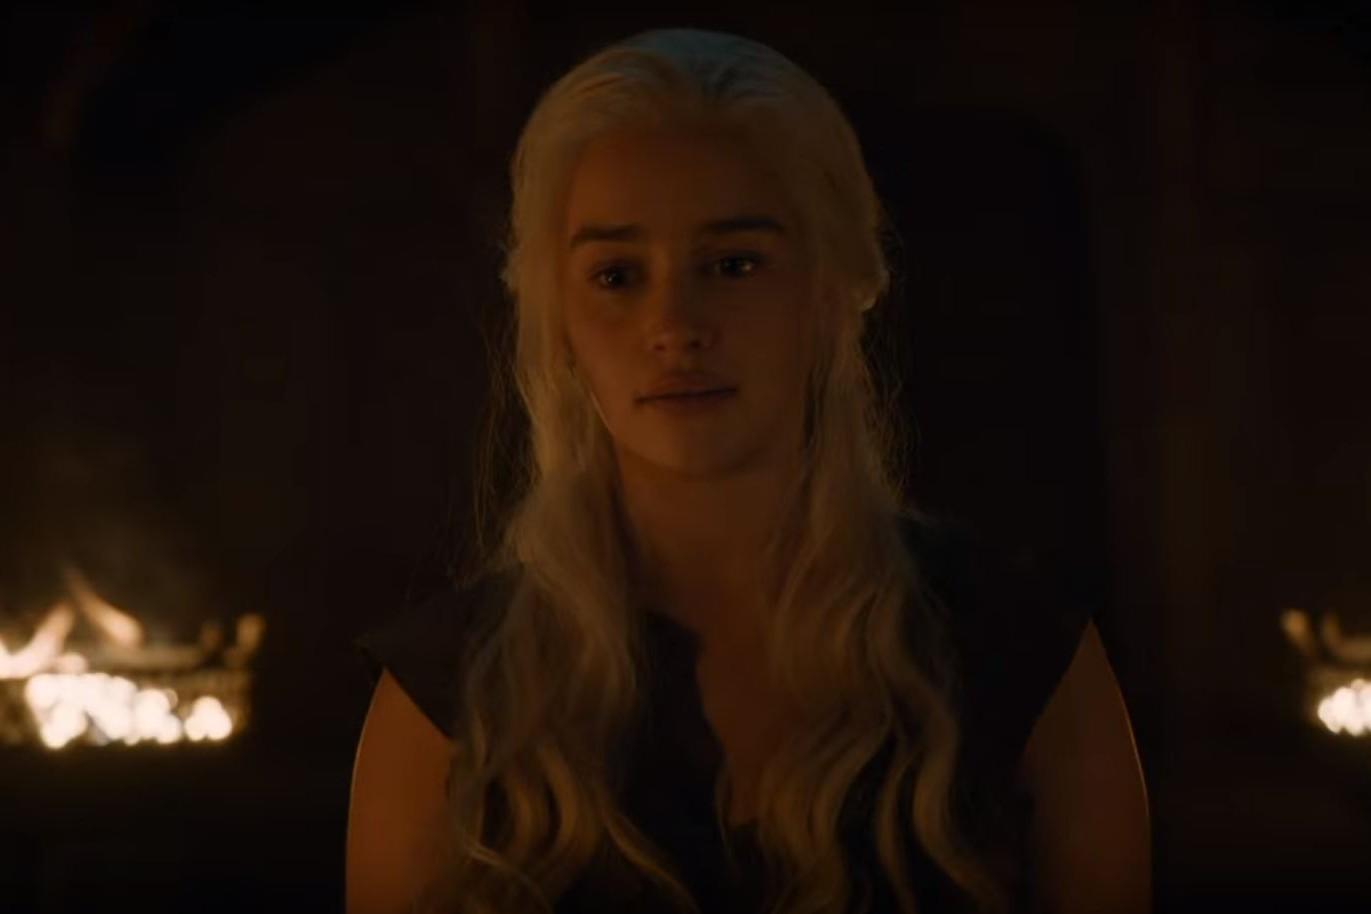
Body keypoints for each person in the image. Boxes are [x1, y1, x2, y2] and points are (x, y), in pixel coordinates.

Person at [347, 27, 1150, 914]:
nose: (674, 326)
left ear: (831, 289)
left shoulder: (1019, 658)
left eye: (732, 264)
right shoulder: (452, 697)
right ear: (558, 319)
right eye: (616, 275)